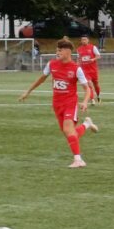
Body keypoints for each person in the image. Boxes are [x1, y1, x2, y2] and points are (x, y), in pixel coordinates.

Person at [18, 38, 99, 168]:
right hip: (57, 104)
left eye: (60, 50)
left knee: (68, 130)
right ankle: (86, 124)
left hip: (70, 103)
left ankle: (78, 160)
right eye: (57, 50)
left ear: (68, 51)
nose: (57, 52)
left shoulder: (76, 68)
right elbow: (41, 79)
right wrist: (28, 91)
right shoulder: (51, 64)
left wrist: (84, 102)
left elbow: (87, 89)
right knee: (70, 133)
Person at [77, 34, 102, 104]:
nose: (83, 41)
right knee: (89, 84)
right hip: (85, 71)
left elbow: (99, 56)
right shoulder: (79, 49)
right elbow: (79, 59)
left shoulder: (93, 47)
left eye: (85, 39)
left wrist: (93, 59)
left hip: (93, 70)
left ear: (88, 40)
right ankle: (92, 99)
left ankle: (98, 95)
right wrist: (77, 66)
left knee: (96, 84)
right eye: (82, 40)